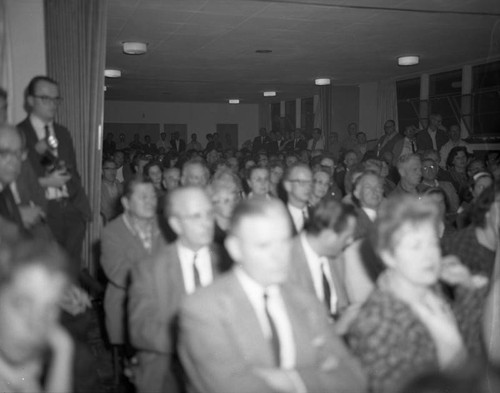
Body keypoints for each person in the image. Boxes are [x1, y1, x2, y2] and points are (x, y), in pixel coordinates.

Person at [178, 199, 367, 393]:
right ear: (235, 248)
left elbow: (354, 378)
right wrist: (317, 377)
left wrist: (291, 380)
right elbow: (231, 386)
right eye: (264, 245)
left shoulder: (305, 302)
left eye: (284, 242)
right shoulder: (203, 308)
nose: (279, 256)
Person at [347, 195, 486, 393]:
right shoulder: (376, 323)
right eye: (415, 246)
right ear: (388, 256)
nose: (429, 255)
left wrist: (468, 285)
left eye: (432, 244)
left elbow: (471, 346)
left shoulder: (429, 289)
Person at [128, 187, 226, 393]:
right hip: (169, 370)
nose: (207, 222)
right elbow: (139, 329)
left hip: (224, 368)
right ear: (175, 224)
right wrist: (191, 340)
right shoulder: (149, 269)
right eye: (196, 216)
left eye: (209, 214)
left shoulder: (229, 261)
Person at [17, 76, 91, 266]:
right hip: (42, 212)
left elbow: (73, 172)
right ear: (30, 100)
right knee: (46, 272)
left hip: (72, 211)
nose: (52, 104)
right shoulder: (18, 134)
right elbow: (12, 182)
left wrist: (80, 212)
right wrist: (45, 182)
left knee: (72, 272)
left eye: (56, 99)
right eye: (45, 98)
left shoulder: (63, 133)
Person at [0, 237, 73, 393]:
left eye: (50, 307)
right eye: (22, 304)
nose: (36, 324)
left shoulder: (23, 366)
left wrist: (63, 348)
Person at [101, 177, 165, 349]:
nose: (150, 202)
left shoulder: (165, 225)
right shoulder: (112, 232)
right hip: (127, 307)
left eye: (153, 196)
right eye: (143, 197)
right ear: (126, 203)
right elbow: (120, 273)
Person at [288, 199, 357, 320]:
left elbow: (342, 303)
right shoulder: (288, 262)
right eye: (346, 237)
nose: (350, 241)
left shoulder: (336, 255)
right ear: (328, 236)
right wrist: (339, 327)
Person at [283, 163, 313, 234]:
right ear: (288, 185)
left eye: (310, 182)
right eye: (302, 182)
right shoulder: (278, 218)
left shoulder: (318, 216)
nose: (308, 187)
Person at [100, 158, 123, 224]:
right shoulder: (98, 188)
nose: (112, 171)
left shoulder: (120, 185)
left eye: (114, 168)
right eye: (108, 169)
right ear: (102, 171)